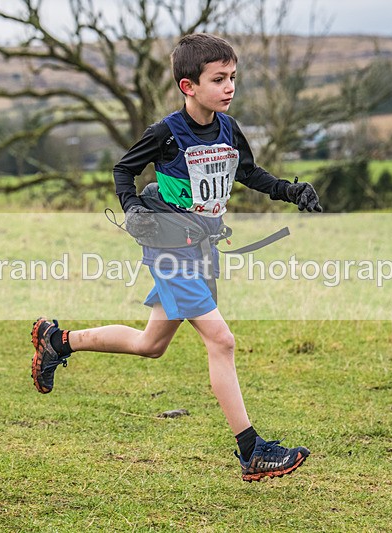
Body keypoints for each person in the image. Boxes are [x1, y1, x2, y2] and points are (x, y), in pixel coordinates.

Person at [31, 33, 322, 482]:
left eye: (233, 78)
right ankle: (252, 451)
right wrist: (131, 211)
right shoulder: (166, 132)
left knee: (151, 345)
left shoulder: (227, 127)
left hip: (202, 246)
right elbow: (123, 169)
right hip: (169, 247)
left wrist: (291, 191)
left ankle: (58, 340)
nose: (229, 87)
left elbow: (247, 173)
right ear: (189, 86)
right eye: (219, 79)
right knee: (221, 341)